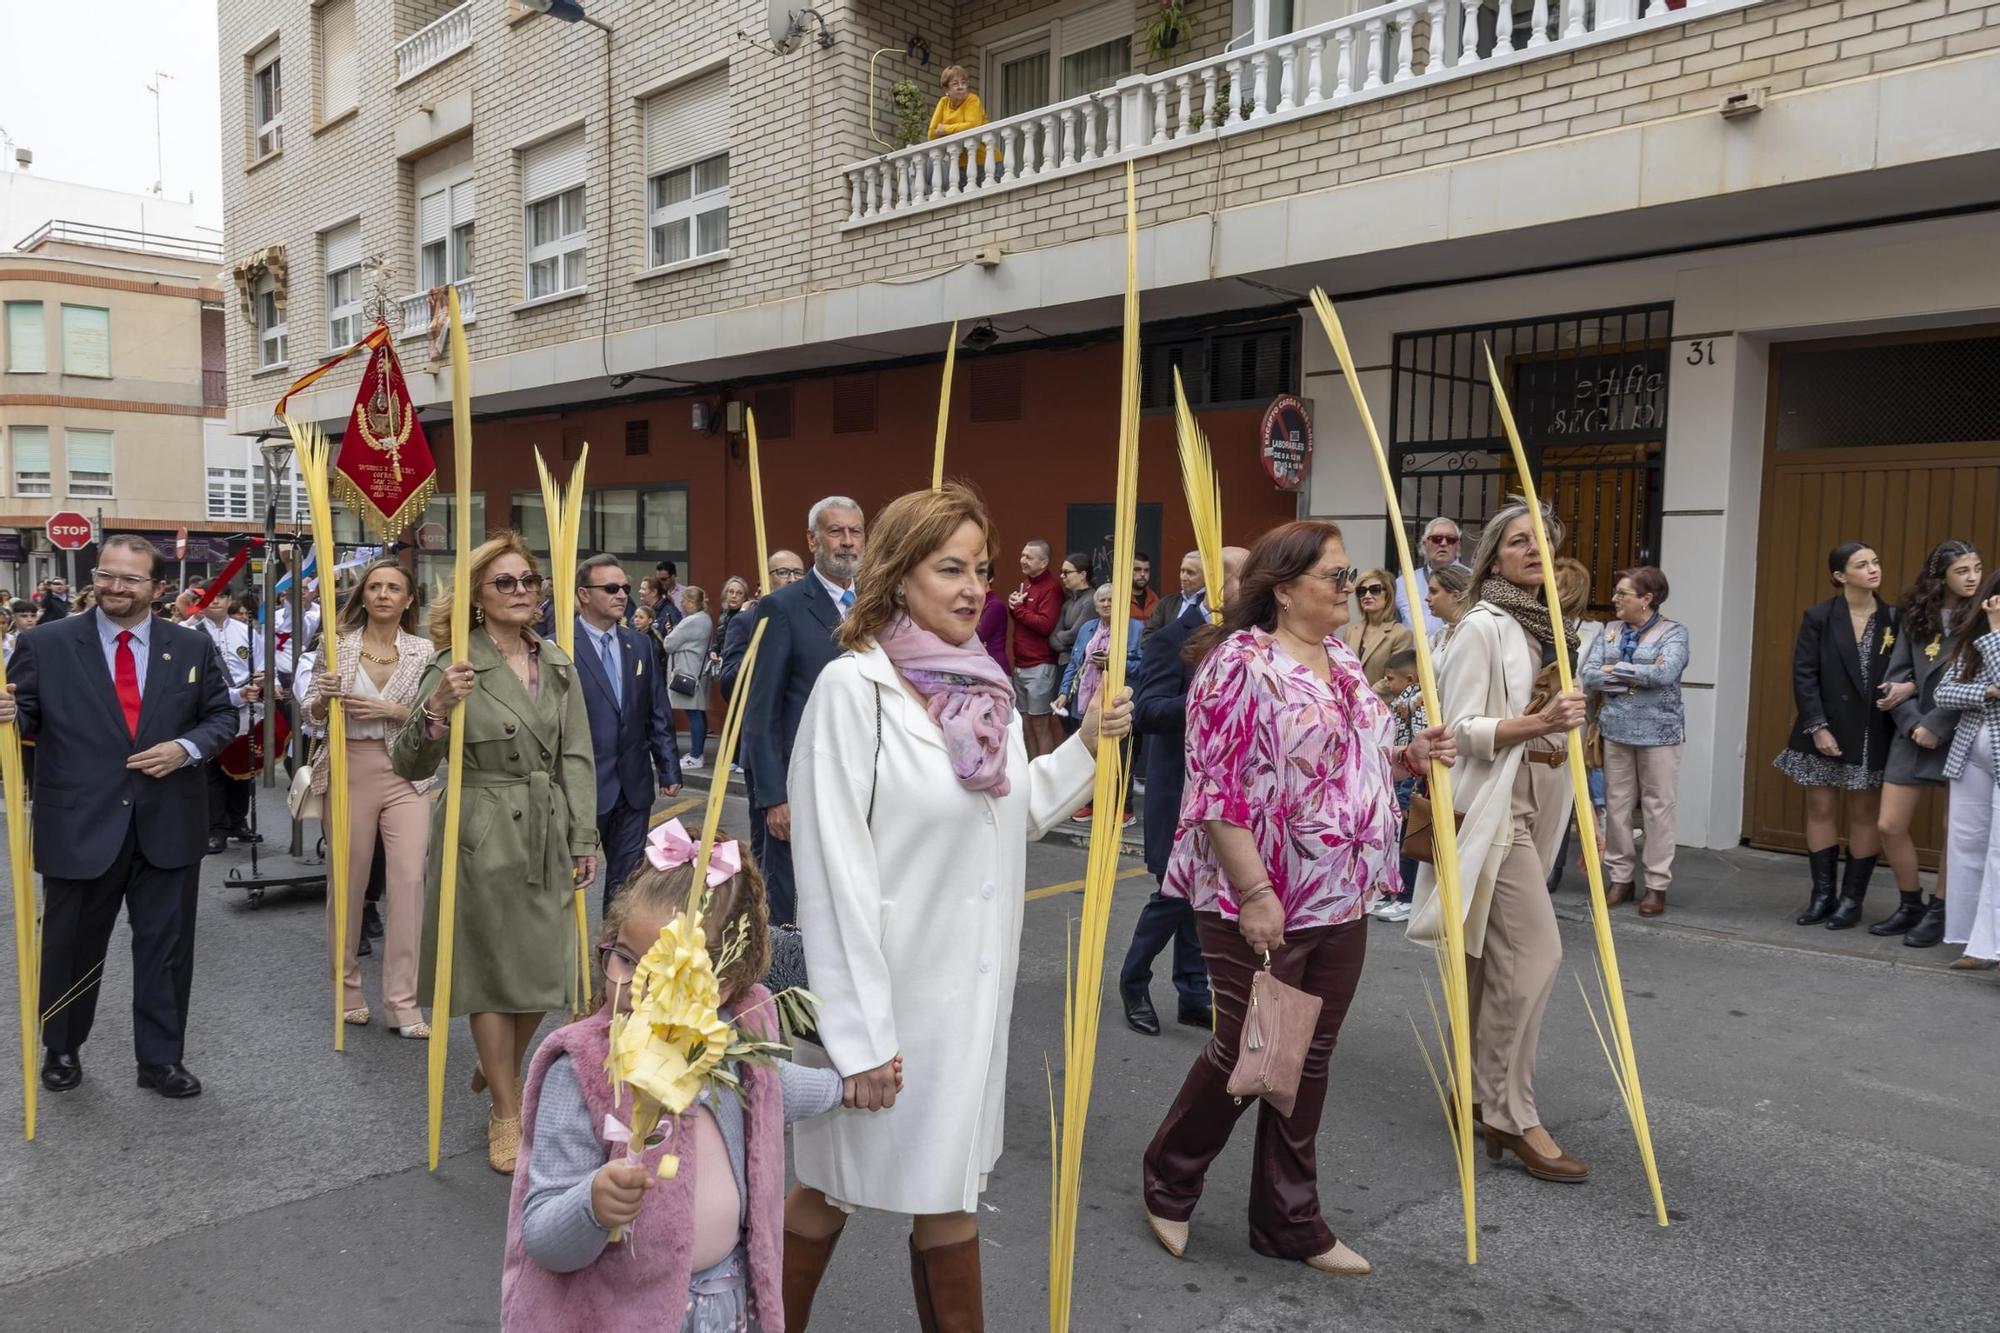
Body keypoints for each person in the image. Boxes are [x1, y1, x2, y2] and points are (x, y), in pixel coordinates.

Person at [781, 484, 1131, 1330]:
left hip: (967, 1002)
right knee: (830, 1189)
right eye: (950, 568)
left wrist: (1086, 745)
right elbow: (831, 874)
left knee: (946, 1192)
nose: (975, 586)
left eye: (983, 567)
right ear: (898, 576)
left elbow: (1014, 808)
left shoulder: (985, 691)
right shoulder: (852, 691)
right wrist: (859, 1038)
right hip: (886, 1001)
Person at [1140, 520, 1455, 1275]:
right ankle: (1169, 1179)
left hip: (1341, 893)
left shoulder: (1342, 657)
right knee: (1249, 1049)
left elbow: (1356, 756)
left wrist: (1411, 755)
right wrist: (1254, 892)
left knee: (1307, 1057)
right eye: (1337, 576)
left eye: (1350, 577)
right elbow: (1215, 791)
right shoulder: (1237, 664)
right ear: (1285, 589)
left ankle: (1289, 1219)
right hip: (1260, 894)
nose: (1351, 588)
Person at [502, 828, 848, 1331]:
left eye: (664, 974)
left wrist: (847, 1086)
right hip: (622, 1314)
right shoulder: (579, 1071)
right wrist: (593, 1204)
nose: (630, 986)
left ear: (721, 986)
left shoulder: (730, 1045)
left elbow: (777, 1089)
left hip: (724, 1307)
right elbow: (541, 1235)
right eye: (622, 958)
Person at [0, 535, 239, 1098]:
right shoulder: (47, 644)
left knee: (165, 949)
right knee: (71, 946)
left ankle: (160, 1060)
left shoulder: (189, 647)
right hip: (81, 823)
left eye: (130, 579)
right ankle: (61, 1048)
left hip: (169, 825)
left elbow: (221, 716)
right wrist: (11, 712)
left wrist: (186, 748)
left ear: (158, 589)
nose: (114, 587)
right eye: (107, 575)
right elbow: (26, 713)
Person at [392, 535, 600, 1173]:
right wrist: (435, 712)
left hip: (545, 824)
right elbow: (409, 759)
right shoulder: (456, 663)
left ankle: (496, 1063)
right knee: (488, 971)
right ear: (477, 598)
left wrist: (582, 833)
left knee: (547, 967)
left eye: (529, 582)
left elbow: (575, 754)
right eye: (504, 583)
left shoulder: (558, 662)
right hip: (480, 828)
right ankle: (507, 1112)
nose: (520, 593)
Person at [1408, 498, 1591, 1183]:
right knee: (1536, 953)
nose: (1532, 550)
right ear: (1493, 554)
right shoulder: (1481, 627)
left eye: (1543, 540)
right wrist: (1535, 720)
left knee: (1493, 959)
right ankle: (1511, 1114)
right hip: (1489, 814)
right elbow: (1456, 733)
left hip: (1536, 804)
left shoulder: (1551, 626)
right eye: (1518, 540)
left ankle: (1474, 1089)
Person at [301, 558, 437, 1038]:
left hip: (407, 772)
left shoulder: (424, 650)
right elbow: (311, 715)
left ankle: (403, 1004)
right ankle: (347, 990)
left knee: (408, 881)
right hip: (348, 765)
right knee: (349, 881)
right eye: (374, 586)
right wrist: (323, 698)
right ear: (362, 597)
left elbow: (434, 715)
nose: (382, 594)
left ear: (407, 599)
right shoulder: (338, 647)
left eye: (393, 588)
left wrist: (391, 708)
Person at [1119, 545, 1248, 1036]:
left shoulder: (1251, 642)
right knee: (1174, 893)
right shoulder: (1173, 637)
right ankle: (1134, 981)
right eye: (1244, 574)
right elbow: (1147, 711)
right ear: (1221, 584)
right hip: (1180, 790)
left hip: (1229, 794)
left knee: (1207, 894)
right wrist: (1206, 701)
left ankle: (1193, 993)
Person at [743, 498, 865, 928]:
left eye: (855, 531)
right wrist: (775, 798)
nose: (847, 542)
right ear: (812, 539)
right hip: (804, 789)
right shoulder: (783, 607)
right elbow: (761, 713)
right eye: (836, 531)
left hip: (867, 785)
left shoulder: (881, 604)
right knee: (796, 915)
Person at [1774, 542, 1900, 929]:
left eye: (1876, 561)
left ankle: (1851, 900)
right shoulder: (1820, 616)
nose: (1873, 569)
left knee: (1865, 812)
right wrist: (1817, 727)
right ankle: (1822, 896)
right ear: (1840, 576)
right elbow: (1804, 673)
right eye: (1862, 564)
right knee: (1822, 809)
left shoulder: (1896, 618)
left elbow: (1907, 670)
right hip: (1823, 728)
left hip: (1872, 729)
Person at [1870, 541, 1982, 943]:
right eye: (1962, 571)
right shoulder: (1917, 618)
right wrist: (1915, 723)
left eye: (1976, 569)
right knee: (1889, 824)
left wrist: (1936, 723)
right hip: (1912, 732)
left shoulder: (1987, 617)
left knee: (1956, 828)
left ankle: (1940, 910)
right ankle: (1909, 903)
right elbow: (1895, 677)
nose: (1972, 578)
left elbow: (1980, 680)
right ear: (1941, 577)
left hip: (1962, 731)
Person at [1580, 565, 1690, 917]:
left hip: (1660, 733)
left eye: (1622, 594)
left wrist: (1618, 671)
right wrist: (1632, 676)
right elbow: (1591, 674)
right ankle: (1621, 879)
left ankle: (1656, 885)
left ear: (1647, 599)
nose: (1614, 599)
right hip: (1615, 730)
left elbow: (1665, 673)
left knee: (1659, 808)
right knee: (1617, 805)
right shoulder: (1609, 630)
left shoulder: (1675, 633)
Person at [574, 553, 682, 909]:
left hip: (633, 787)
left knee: (627, 887)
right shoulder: (557, 646)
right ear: (583, 594)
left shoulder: (639, 644)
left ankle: (615, 960)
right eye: (611, 588)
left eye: (625, 587)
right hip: (582, 789)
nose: (622, 594)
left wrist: (668, 767)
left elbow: (656, 709)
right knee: (567, 885)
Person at [1935, 572, 2000, 970]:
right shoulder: (1973, 644)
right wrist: (1988, 691)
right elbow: (1945, 692)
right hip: (1972, 756)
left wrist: (1996, 632)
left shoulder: (1989, 639)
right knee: (1968, 845)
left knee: (1999, 853)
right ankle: (1976, 942)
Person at [1057, 583, 1141, 828]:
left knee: (1121, 755)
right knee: (1089, 753)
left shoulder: (1134, 628)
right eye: (1102, 600)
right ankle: (1091, 802)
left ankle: (1124, 808)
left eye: (1111, 600)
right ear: (1095, 605)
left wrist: (1114, 662)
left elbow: (1141, 665)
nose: (1106, 604)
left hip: (1118, 699)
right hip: (1087, 699)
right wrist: (1064, 693)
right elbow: (1075, 662)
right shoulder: (1087, 628)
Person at [191, 589, 265, 852]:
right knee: (213, 772)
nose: (216, 601)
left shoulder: (245, 630)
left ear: (229, 600)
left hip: (246, 706)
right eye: (209, 597)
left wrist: (265, 682)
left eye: (221, 596)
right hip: (209, 708)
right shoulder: (189, 631)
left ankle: (238, 821)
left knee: (243, 768)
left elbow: (262, 663)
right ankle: (216, 828)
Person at [1007, 539, 1064, 761]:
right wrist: (1014, 607)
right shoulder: (1027, 584)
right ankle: (1031, 772)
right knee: (1026, 723)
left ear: (1044, 562)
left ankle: (1046, 775)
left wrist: (1018, 610)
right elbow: (1025, 618)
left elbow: (1044, 625)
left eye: (1029, 557)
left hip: (1040, 666)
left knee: (1040, 723)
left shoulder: (1051, 588)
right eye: (1022, 555)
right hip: (1021, 665)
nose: (1023, 560)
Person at [663, 585, 716, 770]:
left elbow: (668, 643)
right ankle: (696, 752)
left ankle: (695, 755)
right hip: (696, 673)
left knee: (694, 714)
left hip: (687, 672)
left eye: (684, 600)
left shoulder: (692, 621)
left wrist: (672, 634)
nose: (682, 603)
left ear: (692, 602)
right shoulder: (704, 619)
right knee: (698, 713)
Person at [1337, 566, 1415, 688]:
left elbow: (1394, 677)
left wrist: (1366, 697)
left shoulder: (1401, 634)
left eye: (1375, 590)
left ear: (1388, 595)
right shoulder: (1350, 631)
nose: (1367, 595)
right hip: (1350, 702)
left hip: (1380, 703)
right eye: (1362, 591)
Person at [1047, 551, 1097, 722]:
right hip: (1064, 664)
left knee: (1076, 721)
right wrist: (1067, 641)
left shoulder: (1091, 600)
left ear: (1083, 575)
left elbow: (1074, 635)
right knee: (1063, 718)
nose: (1062, 576)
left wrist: (1067, 640)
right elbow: (1054, 638)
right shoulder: (1068, 602)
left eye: (1067, 572)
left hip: (1081, 668)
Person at [1397, 517, 1467, 637]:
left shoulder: (1475, 579)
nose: (1443, 543)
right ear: (1425, 544)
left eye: (1450, 539)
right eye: (1437, 539)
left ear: (1458, 545)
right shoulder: (1403, 583)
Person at [926, 64, 990, 183]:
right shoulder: (944, 102)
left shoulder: (972, 100)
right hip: (957, 165)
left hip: (983, 161)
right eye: (955, 84)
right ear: (946, 89)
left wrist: (945, 129)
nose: (961, 87)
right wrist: (959, 128)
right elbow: (931, 134)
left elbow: (973, 125)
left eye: (964, 82)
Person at [1144, 551, 1207, 644]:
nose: (1184, 577)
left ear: (1205, 576)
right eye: (1182, 571)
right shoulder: (1167, 603)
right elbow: (1147, 637)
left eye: (1190, 573)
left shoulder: (1209, 605)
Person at [1424, 563, 1474, 652]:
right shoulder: (1439, 636)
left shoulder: (1473, 631)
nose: (1427, 598)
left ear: (1455, 596)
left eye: (1434, 592)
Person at [652, 560, 686, 629]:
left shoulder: (684, 594)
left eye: (663, 579)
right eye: (657, 580)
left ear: (673, 577)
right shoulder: (653, 593)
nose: (660, 582)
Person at [1129, 551, 1160, 626]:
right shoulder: (1118, 600)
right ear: (1128, 571)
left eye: (1146, 570)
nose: (1142, 574)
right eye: (1137, 569)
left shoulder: (1155, 599)